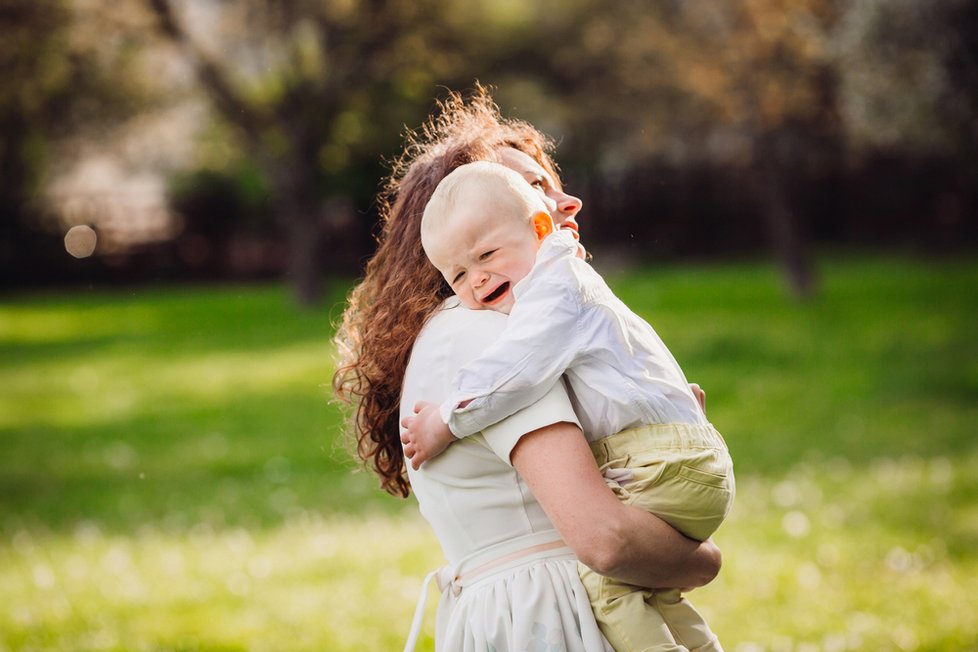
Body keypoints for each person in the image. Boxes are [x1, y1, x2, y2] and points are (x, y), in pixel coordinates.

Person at [333, 87, 721, 652]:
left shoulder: (497, 323)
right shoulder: (489, 337)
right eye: (532, 189)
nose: (566, 205)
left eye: (550, 184)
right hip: (549, 616)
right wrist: (701, 560)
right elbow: (606, 540)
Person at [401, 160, 734, 651]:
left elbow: (515, 370)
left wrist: (445, 421)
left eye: (487, 253)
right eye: (457, 273)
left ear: (536, 227)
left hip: (655, 472)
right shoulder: (493, 320)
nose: (475, 279)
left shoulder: (553, 290)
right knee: (647, 594)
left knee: (611, 590)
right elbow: (614, 540)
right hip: (661, 471)